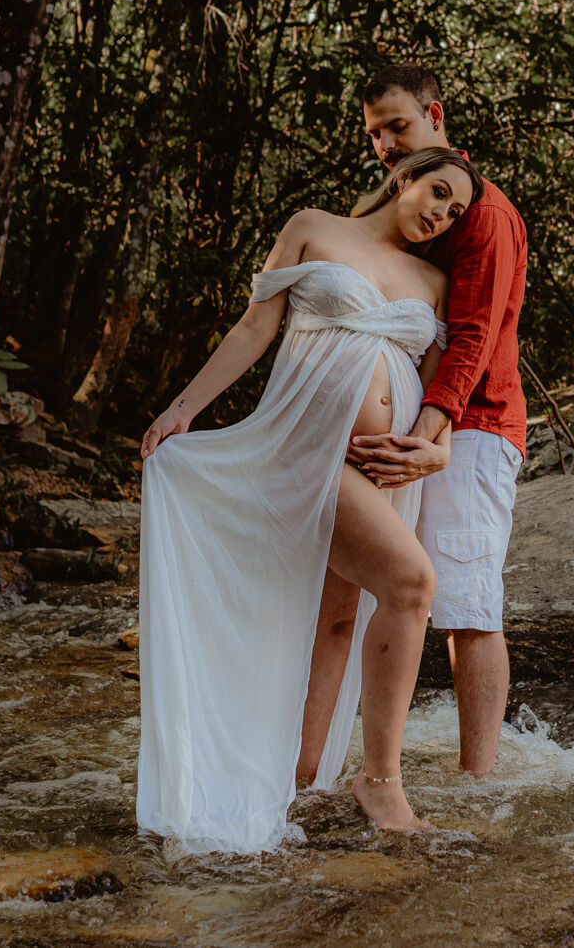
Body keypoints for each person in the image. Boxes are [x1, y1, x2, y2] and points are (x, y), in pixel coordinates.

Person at [135, 147, 483, 852]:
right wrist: (183, 409)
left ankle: (298, 780)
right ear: (403, 177)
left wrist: (423, 449)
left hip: (381, 473)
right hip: (305, 453)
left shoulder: (435, 280)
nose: (441, 213)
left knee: (340, 614)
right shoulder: (315, 227)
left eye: (454, 210)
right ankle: (381, 781)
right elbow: (255, 328)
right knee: (412, 584)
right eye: (437, 191)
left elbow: (441, 381)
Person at [296, 65, 528, 784]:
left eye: (397, 126)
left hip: (473, 429)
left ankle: (477, 779)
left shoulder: (482, 213)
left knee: (467, 604)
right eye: (374, 135)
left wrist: (432, 437)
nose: (386, 144)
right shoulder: (420, 214)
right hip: (424, 432)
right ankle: (326, 764)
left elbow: (473, 338)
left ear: (434, 115)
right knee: (386, 591)